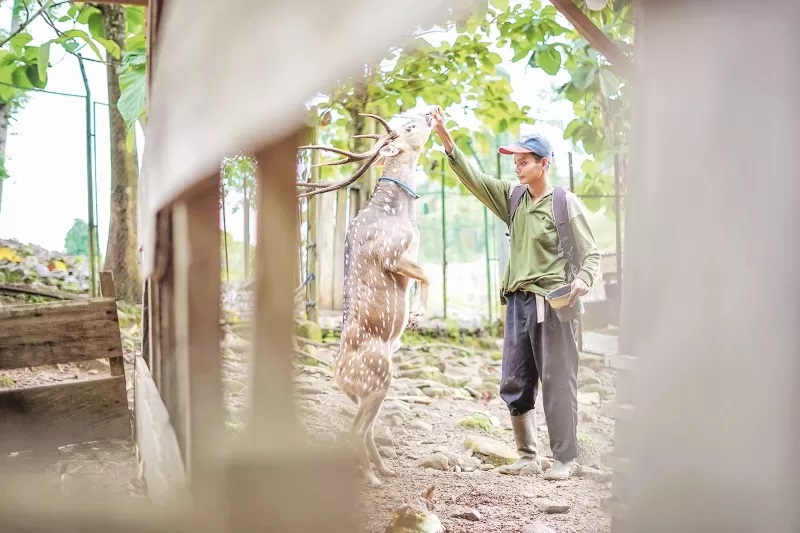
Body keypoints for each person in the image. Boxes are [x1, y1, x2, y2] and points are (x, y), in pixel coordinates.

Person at [430, 105, 601, 480]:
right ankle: (526, 455)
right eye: (514, 161)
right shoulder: (513, 198)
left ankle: (564, 459)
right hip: (518, 302)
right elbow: (474, 178)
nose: (516, 167)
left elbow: (591, 253)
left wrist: (584, 279)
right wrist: (445, 137)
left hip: (553, 305)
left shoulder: (563, 202)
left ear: (543, 164)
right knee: (515, 377)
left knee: (557, 379)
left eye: (524, 161)